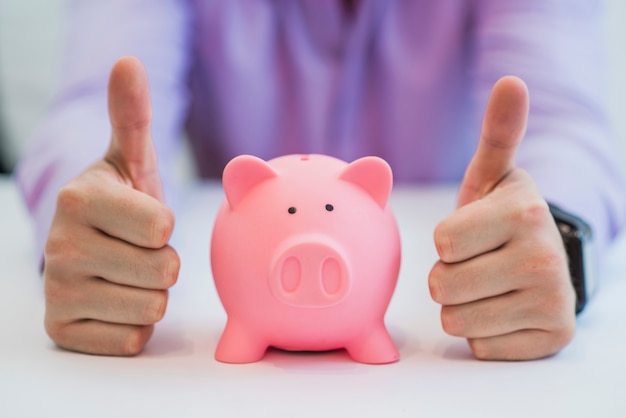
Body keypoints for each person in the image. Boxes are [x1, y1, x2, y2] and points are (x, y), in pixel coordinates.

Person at [16, 1, 626, 360]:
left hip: (451, 280)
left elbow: (563, 123)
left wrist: (557, 239)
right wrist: (96, 216)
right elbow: (89, 109)